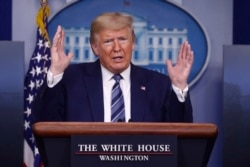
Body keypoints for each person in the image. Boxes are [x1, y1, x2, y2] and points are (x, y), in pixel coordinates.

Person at [32, 12, 194, 123]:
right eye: (108, 41)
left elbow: (180, 135)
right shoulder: (71, 79)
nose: (117, 48)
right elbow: (44, 122)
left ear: (133, 44)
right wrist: (56, 73)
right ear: (95, 47)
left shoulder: (158, 84)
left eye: (123, 39)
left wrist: (179, 86)